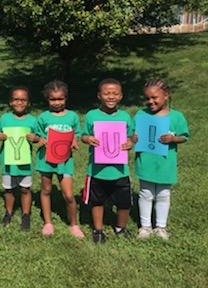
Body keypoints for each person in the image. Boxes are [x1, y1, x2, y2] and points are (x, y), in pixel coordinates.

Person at [134, 79, 189, 240]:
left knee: (163, 194)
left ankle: (161, 227)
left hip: (165, 164)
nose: (150, 101)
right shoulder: (141, 115)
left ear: (166, 96)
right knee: (145, 193)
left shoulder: (176, 116)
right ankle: (145, 227)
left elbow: (184, 137)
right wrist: (134, 137)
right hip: (146, 162)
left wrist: (173, 138)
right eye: (147, 98)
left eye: (154, 97)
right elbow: (132, 133)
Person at [81, 78, 134, 244]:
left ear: (121, 96)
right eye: (107, 93)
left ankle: (121, 228)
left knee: (124, 202)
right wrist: (88, 138)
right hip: (97, 170)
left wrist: (130, 142)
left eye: (115, 93)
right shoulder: (91, 115)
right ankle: (98, 230)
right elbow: (83, 136)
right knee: (97, 201)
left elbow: (132, 135)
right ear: (99, 95)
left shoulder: (125, 116)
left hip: (120, 170)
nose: (111, 96)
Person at [35, 80, 84, 238]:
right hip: (46, 161)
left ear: (66, 98)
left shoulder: (72, 116)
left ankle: (74, 224)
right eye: (53, 99)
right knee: (46, 190)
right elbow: (34, 135)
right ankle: (48, 223)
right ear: (47, 99)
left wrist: (75, 140)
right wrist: (38, 139)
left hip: (65, 161)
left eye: (60, 99)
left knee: (69, 195)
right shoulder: (43, 117)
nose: (57, 103)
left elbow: (77, 133)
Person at [0, 87, 38, 231]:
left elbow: (39, 138)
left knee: (25, 189)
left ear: (28, 102)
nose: (19, 102)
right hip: (7, 160)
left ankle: (26, 214)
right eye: (16, 99)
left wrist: (35, 138)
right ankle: (8, 212)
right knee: (9, 189)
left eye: (23, 100)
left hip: (24, 162)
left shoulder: (32, 120)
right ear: (11, 102)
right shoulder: (5, 118)